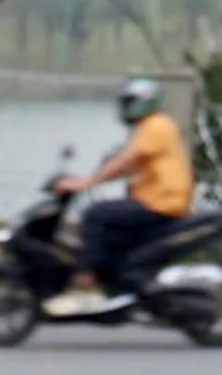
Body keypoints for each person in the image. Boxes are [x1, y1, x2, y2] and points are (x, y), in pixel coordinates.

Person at [42, 78, 194, 318]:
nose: (125, 108)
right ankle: (114, 285)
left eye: (129, 103)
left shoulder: (155, 126)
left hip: (160, 204)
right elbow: (127, 166)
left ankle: (86, 279)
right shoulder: (152, 127)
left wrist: (86, 182)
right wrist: (94, 177)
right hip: (155, 201)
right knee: (111, 226)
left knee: (95, 215)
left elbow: (125, 162)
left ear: (143, 103)